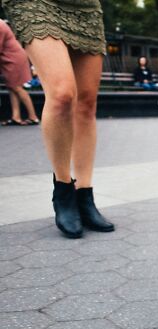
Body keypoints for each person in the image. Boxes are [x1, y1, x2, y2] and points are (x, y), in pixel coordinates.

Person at [2, 0, 114, 238]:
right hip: (37, 4)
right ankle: (63, 189)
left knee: (86, 104)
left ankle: (85, 195)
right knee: (62, 94)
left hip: (84, 7)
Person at [0, 19, 39, 126]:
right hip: (9, 59)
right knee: (12, 87)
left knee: (17, 87)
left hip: (13, 59)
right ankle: (16, 117)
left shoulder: (0, 25)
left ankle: (33, 117)